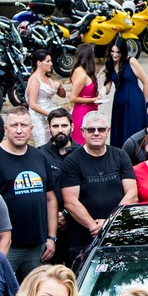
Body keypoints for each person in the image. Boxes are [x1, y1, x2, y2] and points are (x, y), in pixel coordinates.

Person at [0, 109, 60, 276]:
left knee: (36, 290)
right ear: (5, 129)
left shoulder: (40, 157)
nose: (19, 130)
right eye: (14, 125)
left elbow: (50, 199)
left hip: (38, 245)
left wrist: (51, 238)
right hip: (6, 244)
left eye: (23, 125)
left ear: (31, 129)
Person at [57, 111, 137, 264]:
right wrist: (94, 227)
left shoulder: (120, 156)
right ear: (83, 132)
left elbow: (132, 194)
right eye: (91, 129)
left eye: (101, 129)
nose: (96, 133)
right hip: (83, 240)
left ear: (108, 131)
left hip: (116, 234)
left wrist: (108, 223)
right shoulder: (72, 161)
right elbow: (70, 202)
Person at [104, 37, 148, 149]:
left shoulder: (131, 62)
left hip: (134, 101)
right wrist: (102, 91)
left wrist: (142, 104)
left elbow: (146, 83)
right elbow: (108, 85)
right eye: (112, 51)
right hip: (119, 103)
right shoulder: (110, 64)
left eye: (118, 52)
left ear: (123, 51)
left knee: (133, 131)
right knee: (120, 133)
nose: (115, 55)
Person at [24, 49, 64, 147]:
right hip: (38, 116)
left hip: (49, 112)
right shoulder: (34, 79)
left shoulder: (48, 78)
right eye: (48, 61)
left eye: (51, 61)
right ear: (39, 63)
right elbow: (32, 104)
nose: (51, 64)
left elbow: (63, 95)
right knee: (43, 143)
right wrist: (50, 114)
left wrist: (59, 85)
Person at [67, 43, 104, 146]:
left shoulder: (83, 71)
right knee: (83, 142)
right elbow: (73, 98)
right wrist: (92, 100)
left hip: (89, 110)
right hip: (82, 112)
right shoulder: (82, 74)